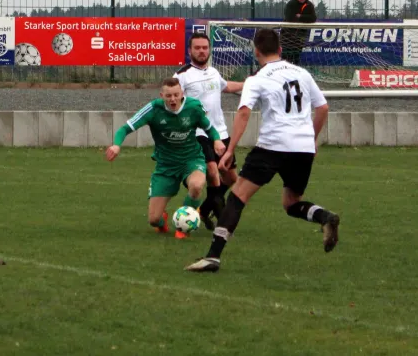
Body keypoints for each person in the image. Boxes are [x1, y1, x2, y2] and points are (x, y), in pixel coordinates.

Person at [184, 28, 340, 272]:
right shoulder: (302, 72)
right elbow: (323, 108)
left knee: (237, 197)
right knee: (291, 203)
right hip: (303, 148)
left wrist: (229, 150)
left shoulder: (257, 78)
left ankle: (213, 257)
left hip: (273, 145)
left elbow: (244, 113)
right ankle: (324, 217)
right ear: (280, 49)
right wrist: (312, 139)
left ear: (256, 51)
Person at [106, 77, 226, 239]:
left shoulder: (193, 107)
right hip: (165, 166)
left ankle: (184, 225)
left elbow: (210, 129)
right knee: (153, 219)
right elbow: (124, 129)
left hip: (191, 159)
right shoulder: (153, 109)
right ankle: (163, 221)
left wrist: (217, 140)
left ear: (182, 93)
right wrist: (116, 145)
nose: (173, 99)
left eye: (176, 95)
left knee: (197, 186)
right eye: (168, 96)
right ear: (161, 95)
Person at [173, 32, 245, 231]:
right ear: (190, 51)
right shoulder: (182, 75)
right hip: (198, 134)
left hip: (220, 133)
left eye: (205, 47)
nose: (202, 51)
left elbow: (226, 87)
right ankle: (223, 224)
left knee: (231, 179)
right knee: (213, 173)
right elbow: (171, 101)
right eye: (197, 48)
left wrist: (249, 83)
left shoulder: (213, 72)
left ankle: (202, 211)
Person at [280, 0, 317, 65]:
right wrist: (305, 19)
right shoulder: (291, 4)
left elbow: (313, 18)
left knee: (296, 59)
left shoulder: (309, 5)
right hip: (287, 37)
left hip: (299, 37)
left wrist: (300, 16)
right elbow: (289, 18)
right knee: (286, 60)